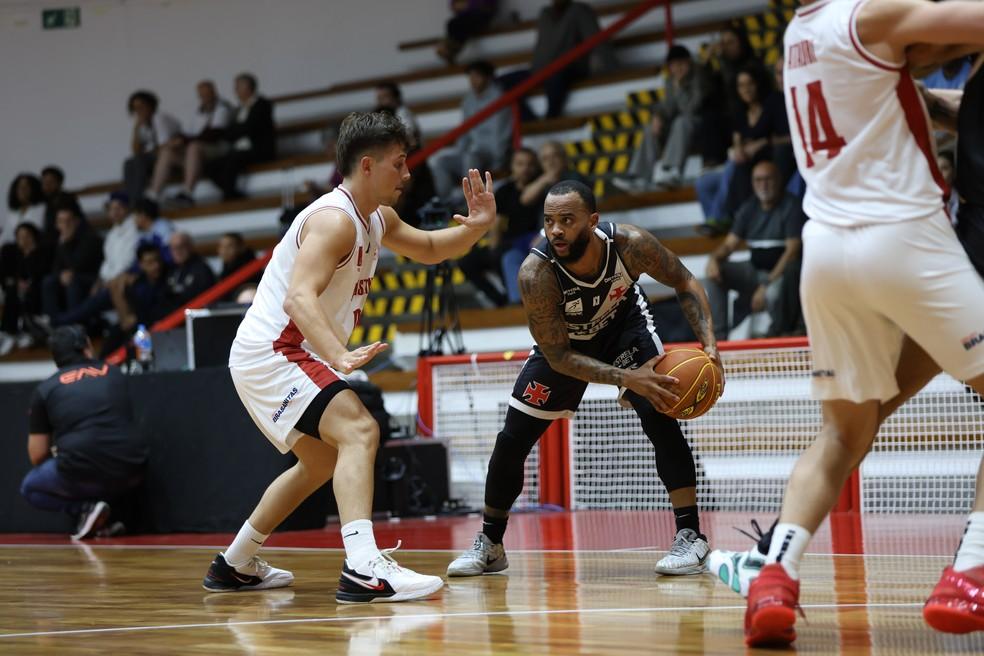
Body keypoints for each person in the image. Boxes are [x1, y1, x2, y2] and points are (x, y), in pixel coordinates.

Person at [704, 1, 984, 647]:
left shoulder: (798, 31)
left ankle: (772, 576)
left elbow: (910, 69)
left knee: (842, 433)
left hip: (826, 250)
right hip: (903, 240)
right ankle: (969, 571)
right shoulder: (872, 17)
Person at [203, 111, 497, 602]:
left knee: (320, 462)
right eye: (398, 164)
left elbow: (428, 248)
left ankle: (234, 562)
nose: (407, 175)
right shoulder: (334, 221)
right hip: (275, 349)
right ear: (367, 165)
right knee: (360, 429)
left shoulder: (377, 218)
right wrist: (338, 354)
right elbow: (299, 299)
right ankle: (363, 567)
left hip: (278, 352)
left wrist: (479, 227)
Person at [447, 180, 723, 578]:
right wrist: (627, 378)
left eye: (566, 220)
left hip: (623, 328)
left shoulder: (630, 244)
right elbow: (559, 356)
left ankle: (691, 537)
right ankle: (490, 544)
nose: (555, 230)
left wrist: (710, 345)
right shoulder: (535, 273)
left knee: (660, 416)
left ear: (592, 221)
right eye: (549, 221)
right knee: (512, 439)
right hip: (566, 349)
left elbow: (683, 280)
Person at [20, 325, 146, 539]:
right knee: (98, 462)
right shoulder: (114, 373)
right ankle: (106, 520)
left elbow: (36, 454)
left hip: (83, 471)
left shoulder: (46, 389)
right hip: (132, 469)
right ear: (85, 347)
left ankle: (84, 509)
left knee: (30, 487)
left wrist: (59, 450)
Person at [705, 161, 805, 339]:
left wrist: (765, 285)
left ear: (778, 180)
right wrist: (714, 259)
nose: (763, 185)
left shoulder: (791, 206)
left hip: (780, 274)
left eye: (768, 179)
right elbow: (729, 245)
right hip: (753, 270)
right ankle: (719, 339)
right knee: (714, 274)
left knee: (773, 294)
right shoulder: (748, 208)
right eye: (758, 180)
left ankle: (778, 339)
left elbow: (791, 252)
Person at [614, 45, 714, 192]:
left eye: (681, 64)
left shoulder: (700, 76)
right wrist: (658, 117)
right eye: (674, 65)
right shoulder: (670, 81)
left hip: (700, 124)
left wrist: (679, 88)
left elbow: (692, 108)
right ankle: (640, 176)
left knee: (681, 121)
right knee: (651, 128)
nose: (677, 69)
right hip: (678, 128)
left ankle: (671, 170)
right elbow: (667, 107)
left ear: (689, 63)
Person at [429, 60, 512, 203]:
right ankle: (445, 203)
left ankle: (465, 202)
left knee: (470, 157)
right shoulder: (468, 100)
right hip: (473, 154)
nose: (473, 81)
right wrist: (459, 152)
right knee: (441, 162)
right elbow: (464, 131)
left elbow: (501, 133)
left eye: (477, 76)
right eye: (471, 77)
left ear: (488, 77)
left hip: (492, 155)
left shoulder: (499, 97)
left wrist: (498, 161)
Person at [149, 80, 234, 205]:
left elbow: (213, 135)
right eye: (202, 95)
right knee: (167, 151)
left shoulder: (223, 108)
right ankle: (153, 194)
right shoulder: (198, 112)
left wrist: (182, 141)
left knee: (193, 147)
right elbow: (188, 133)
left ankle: (187, 192)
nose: (205, 98)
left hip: (218, 149)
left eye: (207, 94)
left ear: (214, 92)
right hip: (197, 153)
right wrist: (175, 141)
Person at [207, 73, 276, 201]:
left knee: (233, 160)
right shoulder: (239, 109)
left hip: (258, 150)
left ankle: (229, 195)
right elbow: (233, 131)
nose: (235, 91)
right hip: (240, 151)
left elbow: (249, 127)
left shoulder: (262, 104)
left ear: (247, 88)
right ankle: (232, 192)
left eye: (237, 87)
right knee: (211, 166)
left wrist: (232, 133)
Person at [41, 203, 103, 320]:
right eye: (60, 221)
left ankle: (73, 325)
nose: (65, 225)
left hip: (92, 278)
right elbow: (55, 267)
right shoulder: (61, 239)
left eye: (68, 221)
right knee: (48, 281)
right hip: (72, 277)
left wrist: (64, 244)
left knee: (72, 281)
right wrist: (60, 275)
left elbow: (77, 265)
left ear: (77, 221)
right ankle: (51, 321)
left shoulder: (90, 238)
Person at [122, 90, 182, 204]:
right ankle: (132, 200)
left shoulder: (159, 118)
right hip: (157, 157)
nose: (138, 112)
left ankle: (138, 202)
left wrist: (147, 153)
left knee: (139, 161)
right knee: (129, 163)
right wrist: (136, 129)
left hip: (175, 156)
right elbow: (136, 151)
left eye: (141, 107)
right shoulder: (143, 124)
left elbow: (163, 146)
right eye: (135, 109)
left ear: (150, 105)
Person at [0, 223, 52, 354]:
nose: (23, 240)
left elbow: (44, 273)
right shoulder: (14, 255)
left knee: (27, 292)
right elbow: (9, 276)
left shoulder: (43, 253)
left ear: (34, 237)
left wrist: (29, 283)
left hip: (38, 288)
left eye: (27, 236)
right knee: (13, 291)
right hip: (19, 290)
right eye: (20, 237)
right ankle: (9, 331)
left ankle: (26, 330)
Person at [437, 0, 499, 65]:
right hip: (466, 16)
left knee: (462, 23)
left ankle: (450, 48)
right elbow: (454, 5)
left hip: (482, 15)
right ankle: (451, 47)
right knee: (452, 23)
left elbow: (487, 4)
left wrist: (468, 5)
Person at [374, 82, 421, 147]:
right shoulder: (377, 115)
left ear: (396, 98)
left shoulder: (403, 113)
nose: (381, 101)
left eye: (385, 97)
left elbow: (411, 139)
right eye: (379, 98)